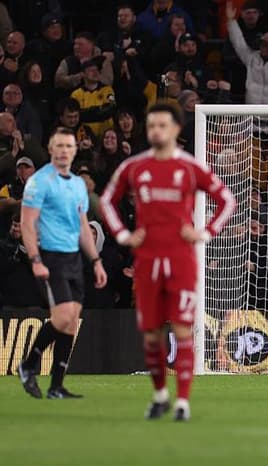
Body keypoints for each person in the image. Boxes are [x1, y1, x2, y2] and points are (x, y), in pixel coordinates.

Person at [99, 104, 236, 421]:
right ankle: (161, 394)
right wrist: (123, 235)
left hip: (181, 259)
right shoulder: (135, 166)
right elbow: (106, 200)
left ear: (175, 129)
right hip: (147, 260)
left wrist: (205, 232)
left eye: (162, 125)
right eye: (152, 126)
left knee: (183, 329)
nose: (157, 131)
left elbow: (227, 200)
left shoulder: (189, 167)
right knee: (152, 333)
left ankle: (183, 402)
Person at [17, 127, 108, 399]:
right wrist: (35, 258)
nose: (64, 151)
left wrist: (96, 260)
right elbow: (27, 224)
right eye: (59, 146)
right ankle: (28, 365)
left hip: (73, 258)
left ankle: (56, 386)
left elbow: (83, 226)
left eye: (69, 146)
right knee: (63, 316)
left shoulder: (78, 185)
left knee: (71, 322)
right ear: (50, 149)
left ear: (75, 150)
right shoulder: (39, 182)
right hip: (50, 256)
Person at [226, 2, 268, 105]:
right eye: (263, 44)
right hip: (253, 109)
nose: (264, 47)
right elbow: (238, 42)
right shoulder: (252, 57)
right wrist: (231, 20)